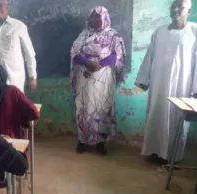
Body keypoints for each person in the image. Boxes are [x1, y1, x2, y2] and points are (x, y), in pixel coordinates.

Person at [135, 0, 197, 163]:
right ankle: (155, 152)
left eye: (180, 7)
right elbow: (150, 56)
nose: (176, 9)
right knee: (157, 113)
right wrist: (143, 79)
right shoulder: (159, 32)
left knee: (177, 119)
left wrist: (196, 89)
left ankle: (173, 157)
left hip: (182, 85)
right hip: (158, 84)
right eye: (173, 6)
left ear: (188, 11)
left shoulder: (194, 31)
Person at [70, 6, 126, 156]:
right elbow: (74, 53)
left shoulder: (114, 35)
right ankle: (82, 141)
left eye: (98, 17)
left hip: (104, 78)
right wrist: (87, 62)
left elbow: (117, 56)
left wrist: (99, 64)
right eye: (93, 17)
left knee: (102, 108)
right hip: (86, 78)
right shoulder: (84, 35)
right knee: (84, 109)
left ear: (105, 18)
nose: (95, 20)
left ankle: (100, 142)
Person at [0, 0, 37, 93]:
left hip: (15, 81)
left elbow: (29, 54)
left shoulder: (19, 26)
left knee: (15, 106)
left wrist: (32, 76)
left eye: (1, 6)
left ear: (7, 7)